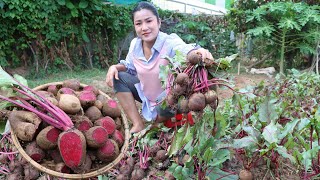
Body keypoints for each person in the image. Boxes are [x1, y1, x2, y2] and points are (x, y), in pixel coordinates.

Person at [105, 1, 213, 133]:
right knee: (118, 77)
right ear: (134, 26)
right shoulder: (135, 44)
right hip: (147, 96)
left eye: (149, 21)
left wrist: (199, 51)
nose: (144, 27)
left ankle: (156, 126)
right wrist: (115, 67)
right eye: (138, 23)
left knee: (169, 97)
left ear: (158, 22)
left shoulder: (170, 42)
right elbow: (129, 67)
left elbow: (187, 50)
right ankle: (138, 124)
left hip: (169, 99)